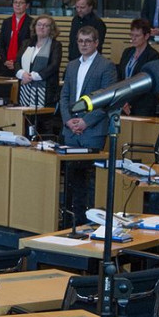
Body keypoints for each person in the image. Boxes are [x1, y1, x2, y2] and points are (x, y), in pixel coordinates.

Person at [59, 26, 115, 223]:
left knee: (89, 180)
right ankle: (72, 222)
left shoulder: (106, 66)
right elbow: (65, 95)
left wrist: (85, 121)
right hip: (71, 130)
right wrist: (68, 120)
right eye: (80, 41)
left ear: (96, 43)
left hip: (92, 130)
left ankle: (90, 223)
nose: (83, 44)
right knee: (72, 180)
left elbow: (108, 100)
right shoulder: (72, 65)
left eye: (88, 41)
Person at [15, 14, 62, 109]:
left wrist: (33, 77)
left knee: (42, 120)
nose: (41, 27)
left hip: (46, 92)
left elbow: (54, 65)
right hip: (24, 89)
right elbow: (17, 62)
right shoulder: (26, 43)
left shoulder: (55, 45)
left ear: (51, 29)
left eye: (45, 25)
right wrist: (22, 74)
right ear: (34, 27)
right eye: (39, 24)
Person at [0, 0, 33, 74]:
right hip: (6, 65)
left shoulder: (32, 23)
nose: (17, 5)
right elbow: (1, 44)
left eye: (21, 3)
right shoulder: (6, 22)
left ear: (27, 6)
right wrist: (5, 60)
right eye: (15, 2)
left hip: (24, 66)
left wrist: (17, 63)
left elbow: (31, 46)